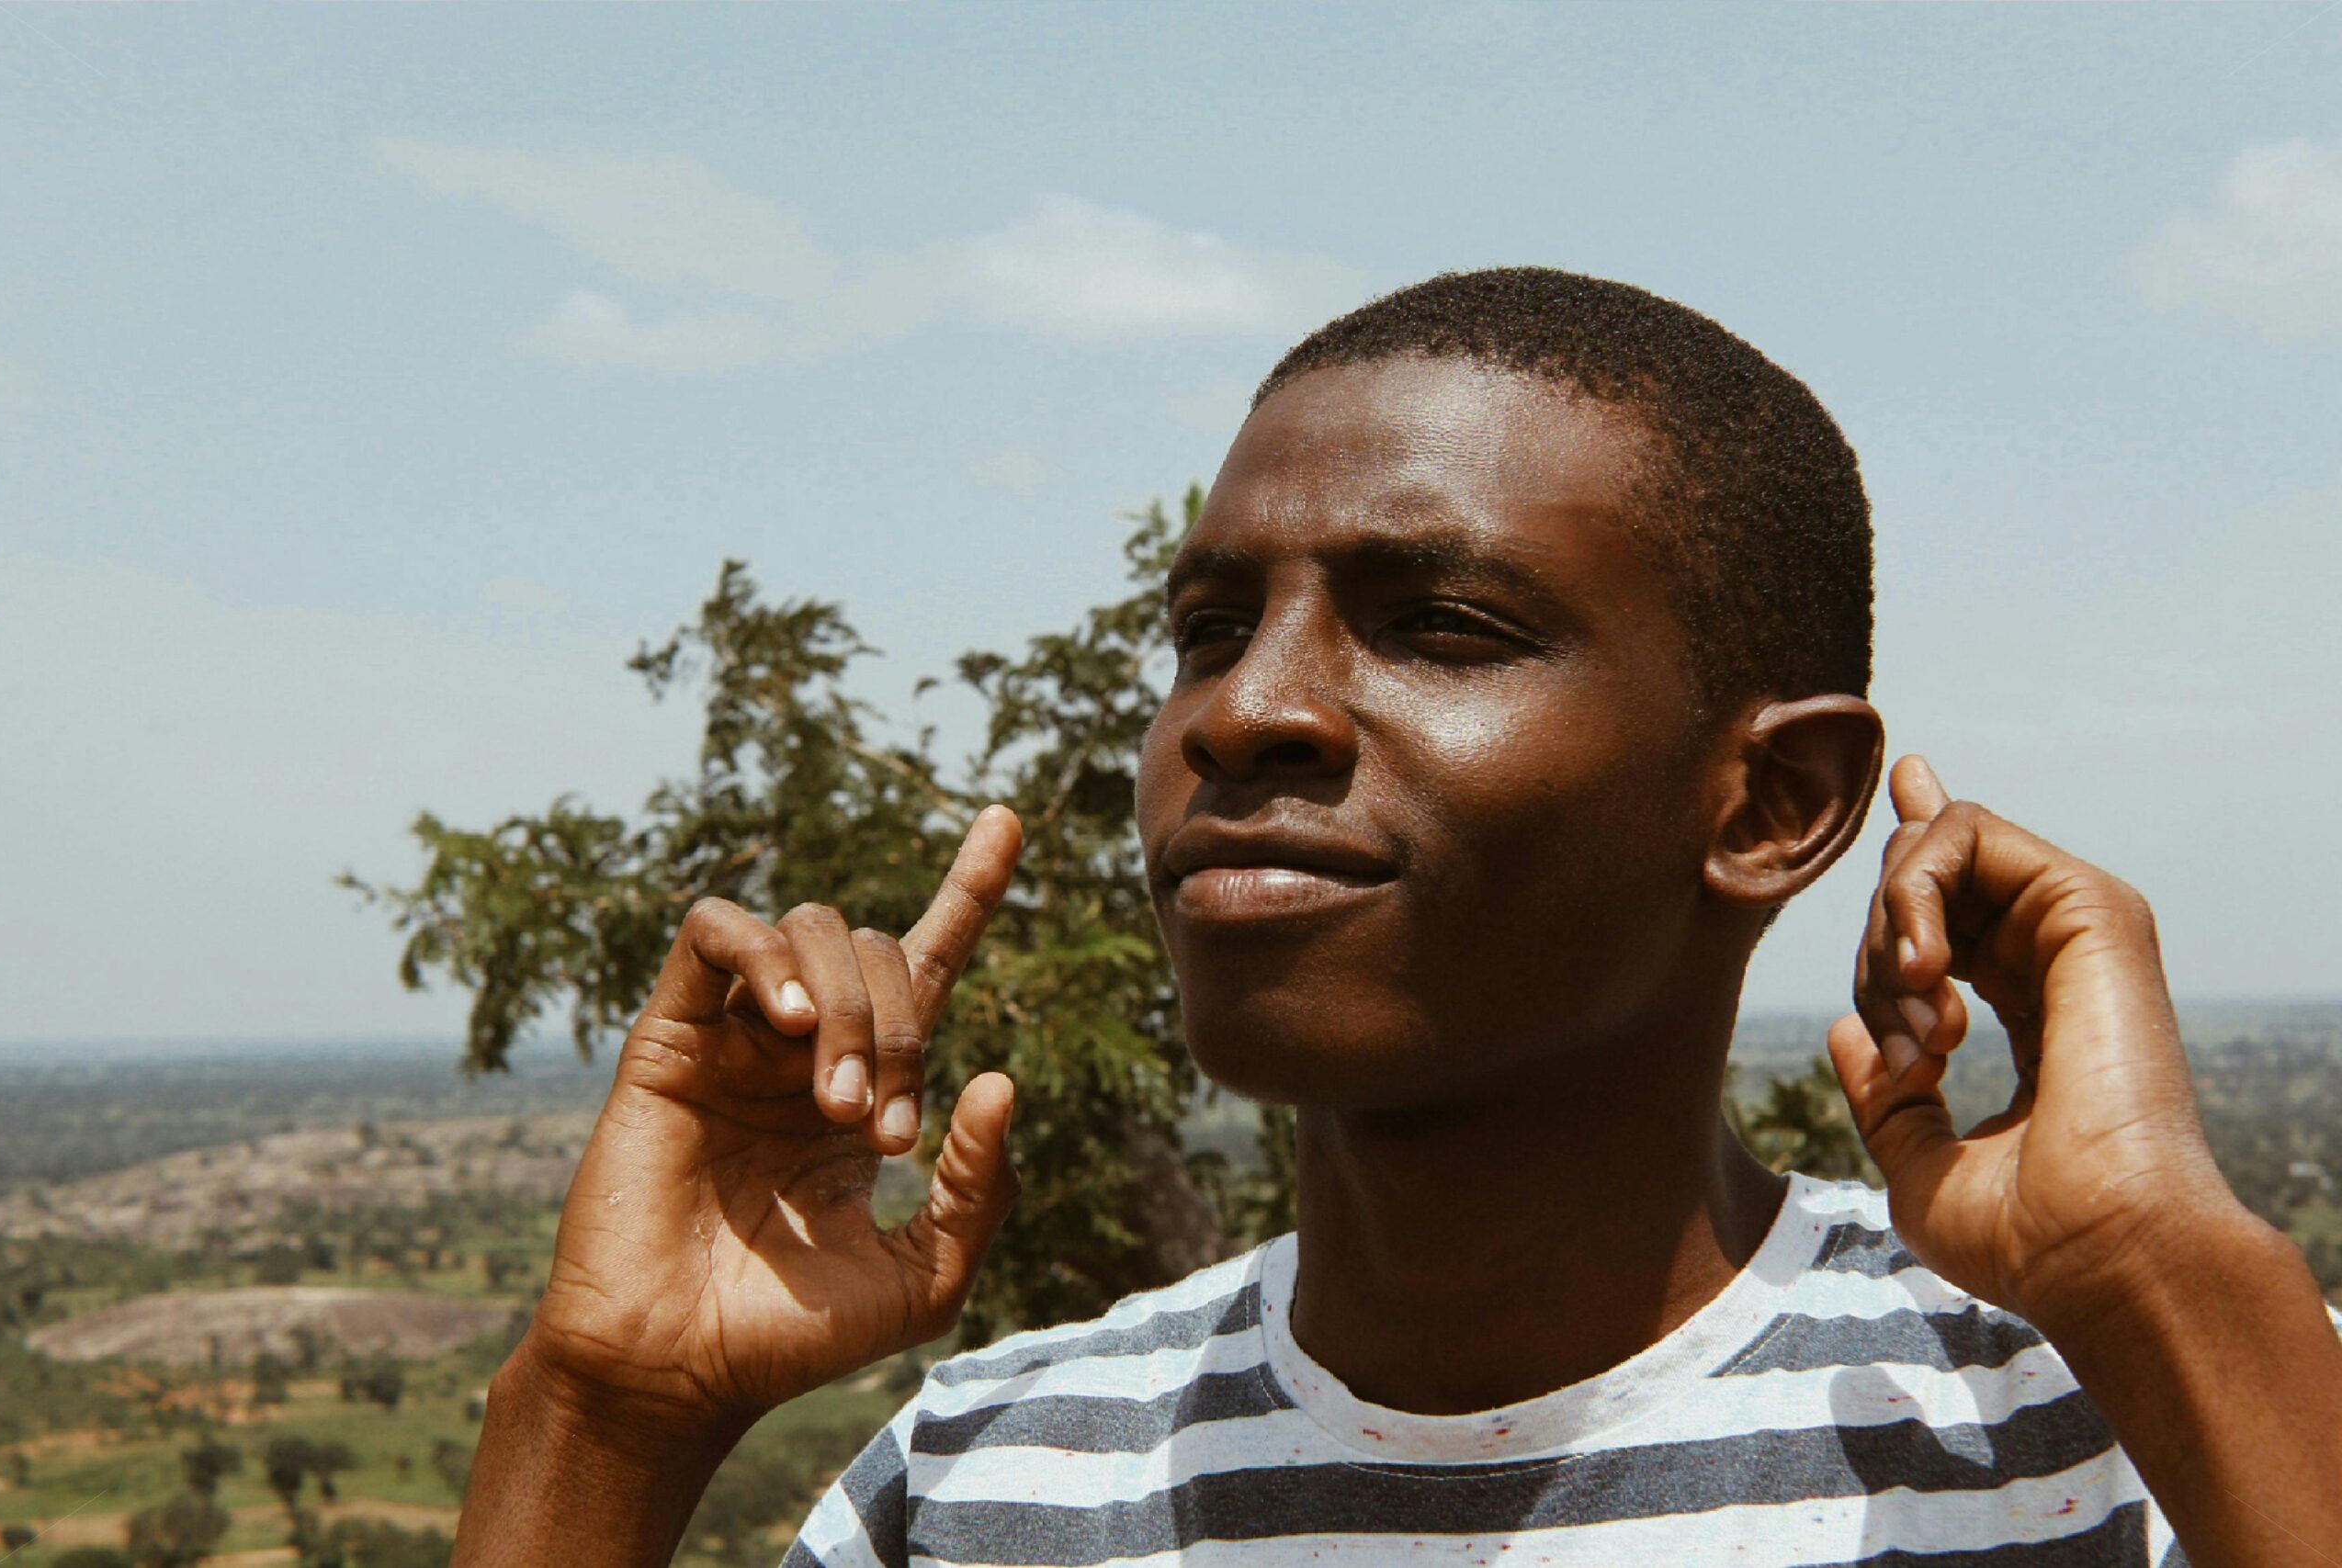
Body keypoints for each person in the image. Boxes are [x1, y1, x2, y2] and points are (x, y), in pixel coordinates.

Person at [450, 269, 2342, 1567]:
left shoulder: (2119, 1431)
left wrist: (2163, 1272)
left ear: (1769, 803)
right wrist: (601, 1415)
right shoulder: (994, 1481)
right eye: (1205, 626)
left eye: (1438, 624)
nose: (1240, 709)